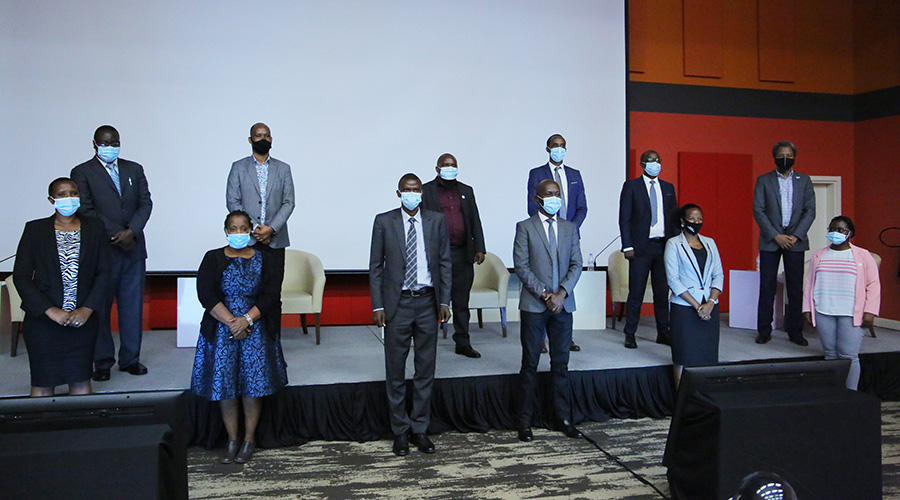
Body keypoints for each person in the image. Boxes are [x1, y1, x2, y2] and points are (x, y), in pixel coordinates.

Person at [191, 210, 288, 464]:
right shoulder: (212, 258)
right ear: (225, 231)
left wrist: (246, 320)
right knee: (226, 387)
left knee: (252, 387)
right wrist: (233, 323)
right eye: (233, 229)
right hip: (222, 328)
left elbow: (270, 297)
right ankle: (232, 439)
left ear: (251, 231)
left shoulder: (266, 258)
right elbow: (206, 295)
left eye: (243, 228)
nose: (238, 233)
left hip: (254, 326)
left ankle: (248, 439)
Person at [369, 173, 452, 457]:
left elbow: (444, 262)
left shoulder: (436, 220)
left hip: (429, 302)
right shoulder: (384, 221)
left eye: (416, 189)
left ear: (422, 193)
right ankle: (400, 432)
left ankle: (420, 429)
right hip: (397, 304)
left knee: (425, 369)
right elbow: (376, 267)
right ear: (398, 193)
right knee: (395, 370)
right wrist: (378, 306)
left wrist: (445, 300)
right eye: (407, 189)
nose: (412, 193)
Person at [13, 178, 109, 397]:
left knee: (80, 380)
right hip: (43, 323)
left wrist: (87, 309)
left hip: (82, 321)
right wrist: (49, 310)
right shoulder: (35, 229)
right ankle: (41, 431)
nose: (69, 198)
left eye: (73, 193)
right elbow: (21, 276)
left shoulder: (95, 227)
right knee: (43, 383)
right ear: (51, 199)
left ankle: (80, 432)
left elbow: (104, 272)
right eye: (63, 194)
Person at [71, 125, 153, 381]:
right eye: (105, 143)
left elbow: (145, 202)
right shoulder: (82, 172)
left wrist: (132, 231)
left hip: (133, 248)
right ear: (95, 144)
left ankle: (130, 359)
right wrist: (118, 233)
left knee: (132, 308)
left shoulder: (134, 168)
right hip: (102, 250)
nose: (110, 147)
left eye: (114, 142)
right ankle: (103, 361)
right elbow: (85, 209)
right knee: (100, 308)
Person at [514, 179, 583, 442]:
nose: (554, 198)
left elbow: (576, 263)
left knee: (561, 363)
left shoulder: (569, 227)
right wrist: (545, 295)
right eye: (549, 194)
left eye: (557, 194)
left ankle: (563, 418)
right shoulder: (525, 227)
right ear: (537, 198)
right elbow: (521, 265)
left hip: (563, 305)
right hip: (534, 305)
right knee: (530, 363)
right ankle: (524, 422)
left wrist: (561, 293)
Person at [803, 216, 880, 390]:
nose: (835, 233)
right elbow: (810, 283)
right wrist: (807, 308)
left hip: (851, 312)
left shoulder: (863, 255)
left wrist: (870, 311)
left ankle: (850, 394)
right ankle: (835, 392)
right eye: (832, 229)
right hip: (823, 310)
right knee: (830, 354)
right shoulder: (819, 255)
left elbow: (873, 284)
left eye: (840, 230)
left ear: (850, 233)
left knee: (848, 356)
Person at [526, 134, 587, 352]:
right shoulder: (537, 173)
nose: (559, 149)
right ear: (547, 148)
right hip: (543, 235)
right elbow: (533, 207)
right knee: (544, 279)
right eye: (555, 146)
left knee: (565, 283)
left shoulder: (574, 175)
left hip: (567, 236)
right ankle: (541, 337)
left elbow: (582, 207)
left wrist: (568, 230)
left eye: (562, 146)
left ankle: (564, 338)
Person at [422, 153, 486, 358]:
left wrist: (480, 247)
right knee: (433, 300)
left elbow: (475, 219)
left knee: (461, 302)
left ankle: (463, 342)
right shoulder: (427, 190)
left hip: (461, 253)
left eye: (453, 165)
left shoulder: (466, 191)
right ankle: (427, 342)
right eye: (445, 165)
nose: (449, 168)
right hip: (436, 255)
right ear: (437, 168)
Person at [753, 140, 815, 345]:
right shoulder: (764, 180)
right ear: (774, 157)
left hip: (796, 240)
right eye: (781, 155)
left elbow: (810, 210)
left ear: (794, 157)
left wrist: (796, 235)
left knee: (795, 287)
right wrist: (775, 235)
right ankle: (764, 330)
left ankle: (795, 330)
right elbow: (758, 210)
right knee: (767, 285)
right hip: (771, 240)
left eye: (788, 155)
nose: (785, 158)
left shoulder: (804, 180)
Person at [618, 150, 678, 349]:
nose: (655, 164)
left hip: (663, 247)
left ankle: (663, 332)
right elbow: (624, 218)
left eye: (658, 160)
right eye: (651, 161)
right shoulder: (632, 186)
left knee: (662, 293)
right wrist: (627, 246)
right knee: (636, 292)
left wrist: (676, 245)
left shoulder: (668, 188)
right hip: (640, 249)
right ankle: (630, 333)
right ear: (643, 164)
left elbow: (675, 219)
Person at [226, 122, 295, 288]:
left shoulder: (283, 168)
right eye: (258, 136)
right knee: (248, 289)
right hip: (247, 239)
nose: (263, 139)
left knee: (273, 290)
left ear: (271, 139)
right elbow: (233, 201)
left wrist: (271, 228)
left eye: (266, 136)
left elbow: (289, 202)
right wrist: (255, 228)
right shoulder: (238, 167)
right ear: (250, 140)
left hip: (275, 240)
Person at [664, 204, 724, 388]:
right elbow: (673, 280)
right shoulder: (673, 244)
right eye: (692, 218)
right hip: (685, 308)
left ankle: (705, 398)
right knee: (683, 357)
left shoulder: (710, 242)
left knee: (707, 355)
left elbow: (718, 274)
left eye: (700, 219)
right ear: (683, 221)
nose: (696, 222)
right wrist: (698, 306)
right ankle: (682, 403)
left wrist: (711, 302)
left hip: (710, 307)